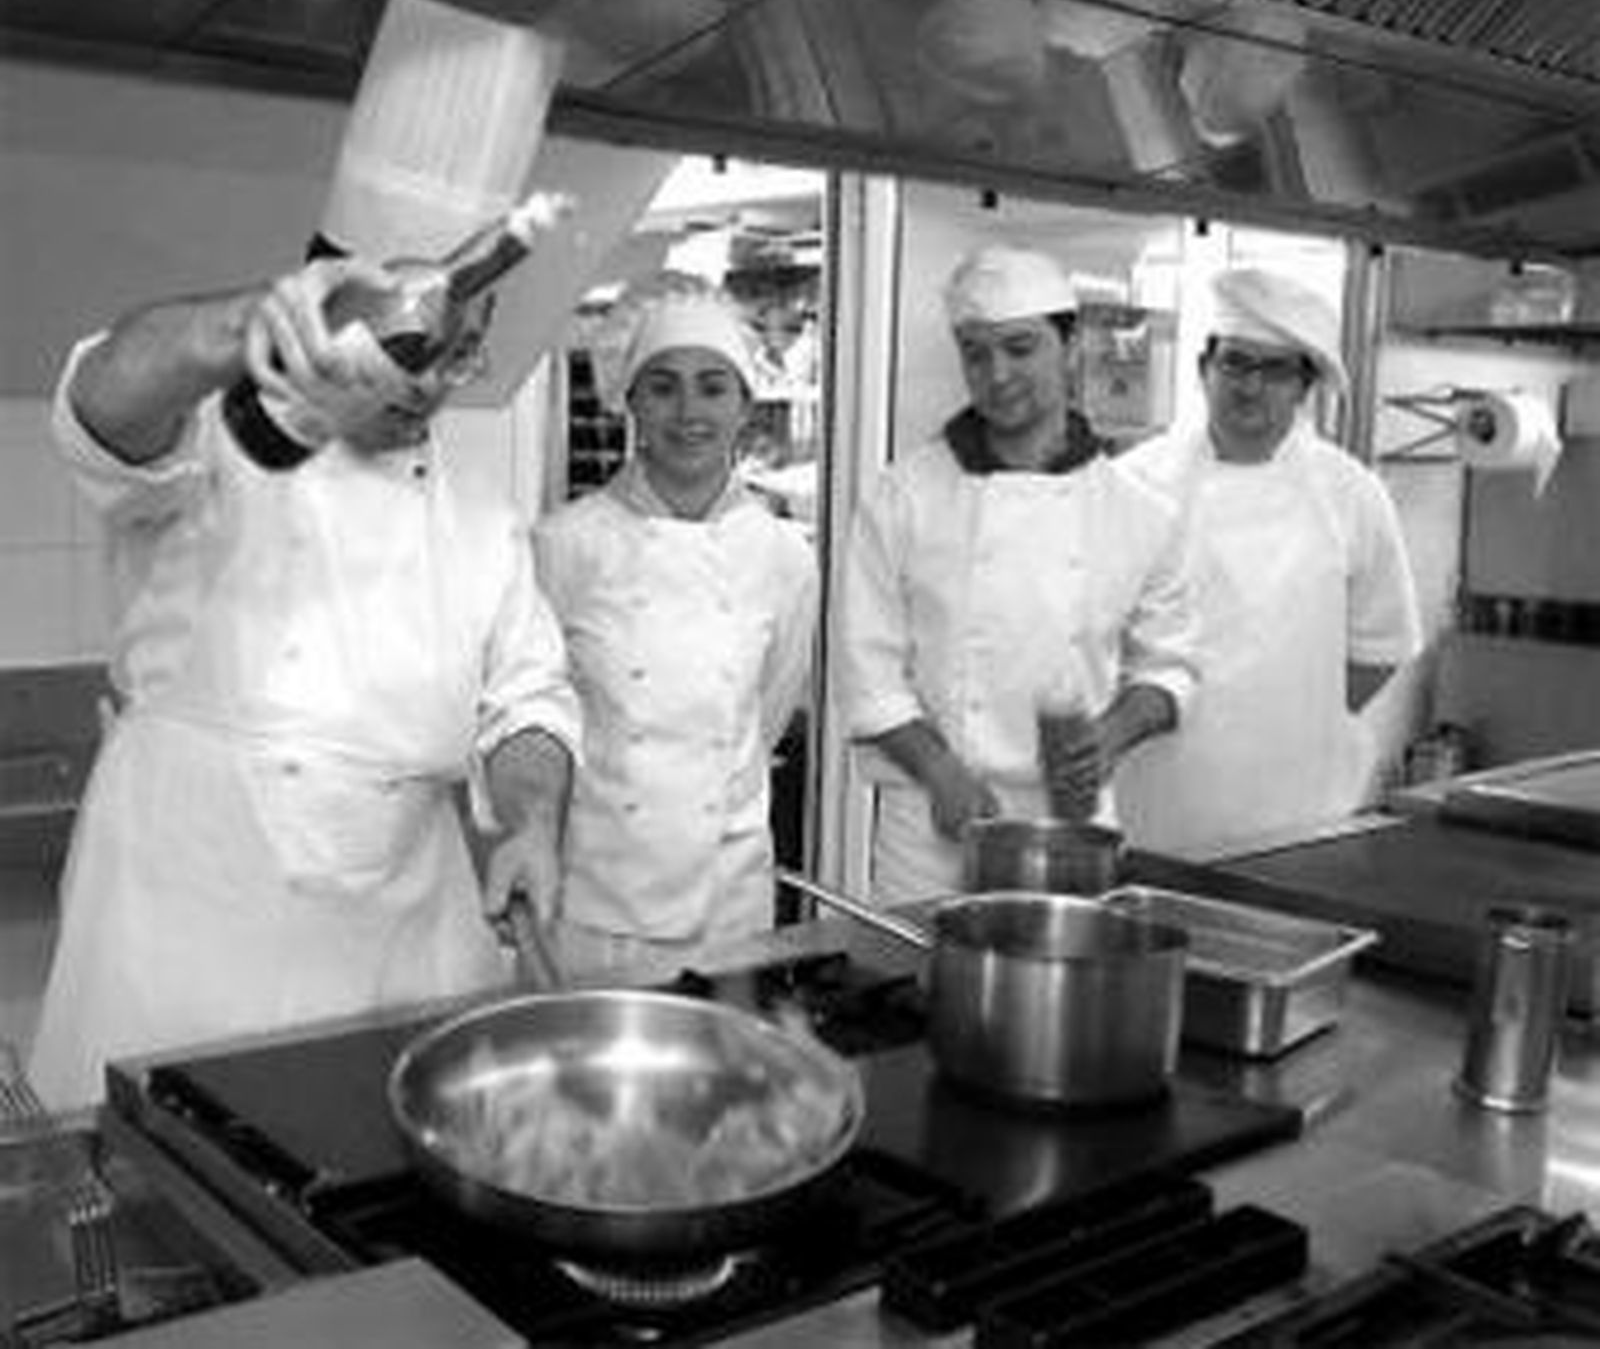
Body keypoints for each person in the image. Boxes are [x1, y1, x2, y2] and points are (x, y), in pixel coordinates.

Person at [28, 252, 581, 1111]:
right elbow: (101, 397)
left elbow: (528, 702)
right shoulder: (215, 439)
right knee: (164, 1168)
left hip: (401, 945)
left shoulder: (483, 520)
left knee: (375, 1169)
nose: (425, 381)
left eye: (457, 353)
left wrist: (534, 822)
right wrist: (275, 319)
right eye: (403, 345)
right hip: (183, 929)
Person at [840, 244, 1201, 903]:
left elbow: (1169, 668)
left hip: (1070, 823)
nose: (997, 374)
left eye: (1020, 347)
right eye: (976, 353)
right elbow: (868, 674)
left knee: (1065, 969)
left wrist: (1110, 737)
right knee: (908, 968)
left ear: (1070, 348)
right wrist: (938, 768)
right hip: (931, 820)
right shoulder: (902, 496)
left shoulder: (1140, 512)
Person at [533, 282, 818, 976]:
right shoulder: (564, 544)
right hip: (598, 899)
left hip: (730, 897)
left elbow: (766, 715)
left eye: (712, 387)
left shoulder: (783, 556)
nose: (689, 412)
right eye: (663, 387)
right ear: (629, 400)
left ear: (744, 403)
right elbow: (533, 717)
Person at [1115, 266, 1423, 856]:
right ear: (1204, 369)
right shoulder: (1133, 483)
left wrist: (1289, 716)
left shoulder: (1351, 493)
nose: (1250, 386)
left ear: (1303, 387)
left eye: (1276, 370)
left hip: (1303, 813)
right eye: (1234, 362)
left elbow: (1380, 650)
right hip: (1161, 807)